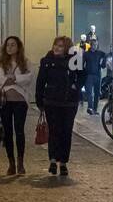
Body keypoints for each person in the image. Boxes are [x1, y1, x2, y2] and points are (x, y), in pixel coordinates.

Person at [35, 36, 83, 177]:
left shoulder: (74, 61)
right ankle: (53, 160)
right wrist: (39, 101)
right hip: (52, 101)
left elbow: (82, 76)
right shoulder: (47, 61)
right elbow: (40, 81)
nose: (57, 47)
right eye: (55, 45)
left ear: (67, 48)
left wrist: (76, 86)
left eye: (61, 46)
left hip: (69, 102)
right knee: (54, 130)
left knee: (66, 131)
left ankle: (63, 162)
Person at [0, 35, 33, 176]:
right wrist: (10, 79)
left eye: (13, 45)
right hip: (5, 100)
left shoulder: (25, 62)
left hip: (20, 100)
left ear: (18, 47)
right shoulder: (1, 62)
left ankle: (20, 162)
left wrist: (15, 78)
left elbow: (29, 77)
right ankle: (11, 163)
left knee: (19, 131)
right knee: (8, 132)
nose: (10, 47)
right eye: (8, 45)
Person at [82, 35, 105, 115]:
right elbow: (82, 64)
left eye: (96, 45)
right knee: (89, 93)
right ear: (91, 45)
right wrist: (83, 74)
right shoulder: (86, 54)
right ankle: (90, 107)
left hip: (98, 75)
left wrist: (103, 63)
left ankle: (94, 109)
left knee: (97, 93)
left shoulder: (100, 53)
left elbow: (105, 60)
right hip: (89, 75)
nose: (95, 46)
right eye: (93, 45)